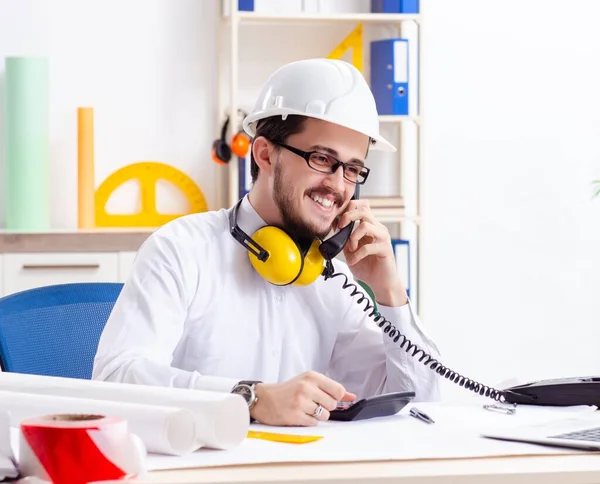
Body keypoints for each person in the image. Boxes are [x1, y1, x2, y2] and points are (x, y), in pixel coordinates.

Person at [92, 58, 441, 427]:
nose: (339, 186)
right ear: (264, 154)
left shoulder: (332, 273)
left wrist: (390, 292)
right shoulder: (181, 249)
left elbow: (421, 403)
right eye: (322, 158)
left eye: (352, 169)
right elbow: (115, 379)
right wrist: (249, 397)